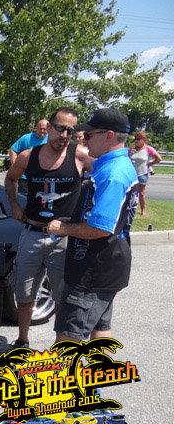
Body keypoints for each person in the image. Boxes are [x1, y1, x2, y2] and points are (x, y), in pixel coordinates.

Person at [48, 107, 139, 342]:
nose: (84, 140)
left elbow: (100, 228)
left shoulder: (112, 174)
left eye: (89, 135)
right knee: (100, 327)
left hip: (92, 269)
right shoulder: (117, 166)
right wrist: (74, 221)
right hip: (108, 265)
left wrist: (63, 228)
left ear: (109, 135)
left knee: (69, 335)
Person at [4, 107, 91, 349]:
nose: (64, 135)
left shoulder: (80, 155)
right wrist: (15, 205)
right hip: (32, 232)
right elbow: (11, 178)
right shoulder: (28, 156)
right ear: (50, 127)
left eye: (70, 130)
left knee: (62, 295)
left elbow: (105, 179)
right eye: (60, 128)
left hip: (63, 239)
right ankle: (22, 340)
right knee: (24, 292)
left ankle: (60, 346)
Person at [9, 119, 50, 193]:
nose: (42, 131)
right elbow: (12, 150)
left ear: (49, 129)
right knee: (24, 199)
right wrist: (16, 167)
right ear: (36, 128)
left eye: (44, 129)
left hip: (43, 179)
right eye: (40, 128)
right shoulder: (26, 138)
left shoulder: (51, 140)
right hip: (25, 179)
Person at [129, 131, 162, 216]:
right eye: (135, 139)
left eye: (138, 139)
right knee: (130, 191)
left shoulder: (148, 149)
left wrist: (150, 164)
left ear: (144, 140)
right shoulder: (132, 149)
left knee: (141, 192)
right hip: (132, 174)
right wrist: (129, 153)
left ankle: (143, 210)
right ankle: (129, 208)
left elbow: (159, 158)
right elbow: (127, 160)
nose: (136, 141)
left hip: (142, 173)